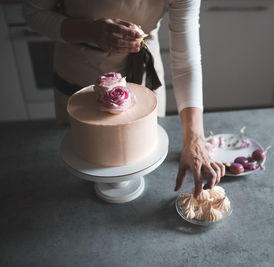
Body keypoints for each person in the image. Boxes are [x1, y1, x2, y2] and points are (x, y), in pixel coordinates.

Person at [23, 0, 225, 198]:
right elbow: (34, 13)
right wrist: (88, 31)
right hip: (79, 78)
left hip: (143, 77)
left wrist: (194, 138)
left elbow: (185, 62)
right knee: (77, 176)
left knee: (143, 157)